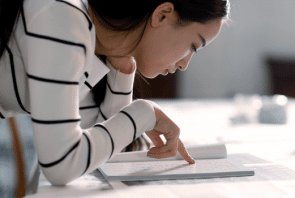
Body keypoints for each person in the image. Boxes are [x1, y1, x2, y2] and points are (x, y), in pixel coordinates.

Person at [0, 0, 230, 195]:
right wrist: (143, 114)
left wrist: (122, 74)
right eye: (193, 46)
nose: (184, 64)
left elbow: (98, 154)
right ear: (162, 15)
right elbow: (62, 165)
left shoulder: (94, 41)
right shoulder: (65, 20)